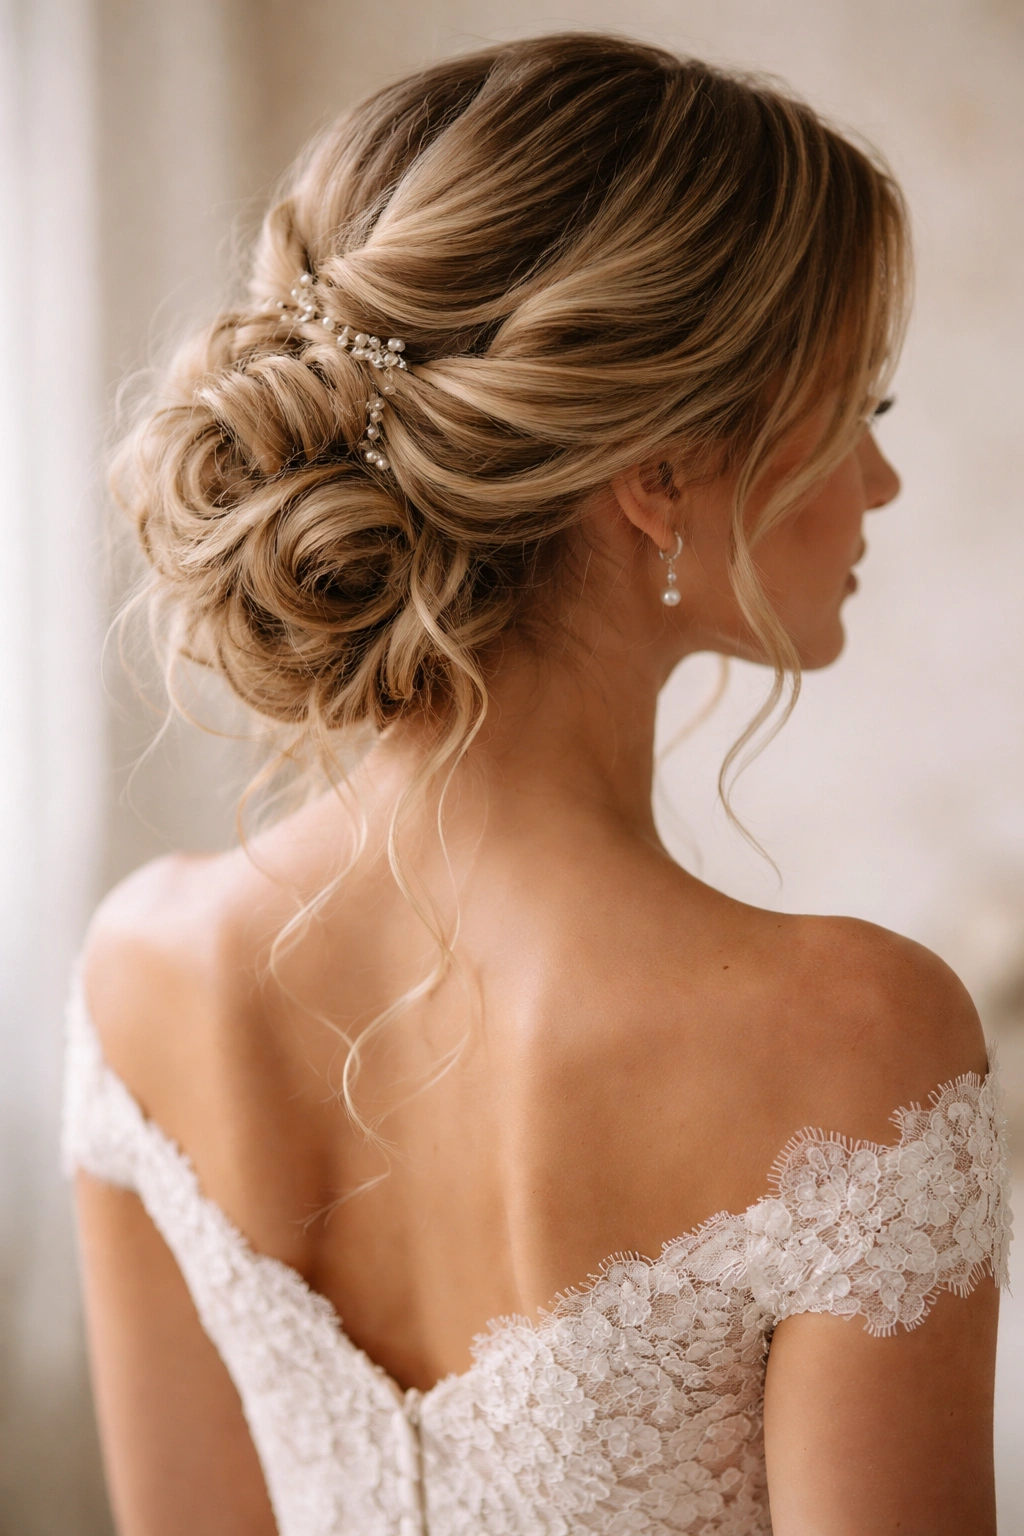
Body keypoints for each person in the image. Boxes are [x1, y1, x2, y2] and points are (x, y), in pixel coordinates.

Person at [64, 32, 1010, 1536]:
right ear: (664, 474)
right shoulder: (856, 1043)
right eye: (861, 412)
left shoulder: (140, 971)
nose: (880, 482)